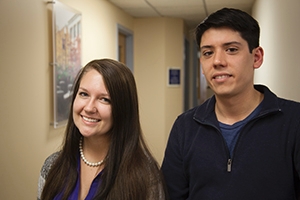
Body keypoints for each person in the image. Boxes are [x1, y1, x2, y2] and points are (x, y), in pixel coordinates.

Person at [161, 7, 300, 200]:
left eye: (231, 50)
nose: (217, 61)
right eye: (208, 53)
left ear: (256, 57)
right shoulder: (185, 127)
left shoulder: (294, 121)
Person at [38, 59, 167, 200]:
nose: (89, 108)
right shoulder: (53, 167)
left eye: (104, 99)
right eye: (84, 94)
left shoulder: (145, 177)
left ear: (123, 109)